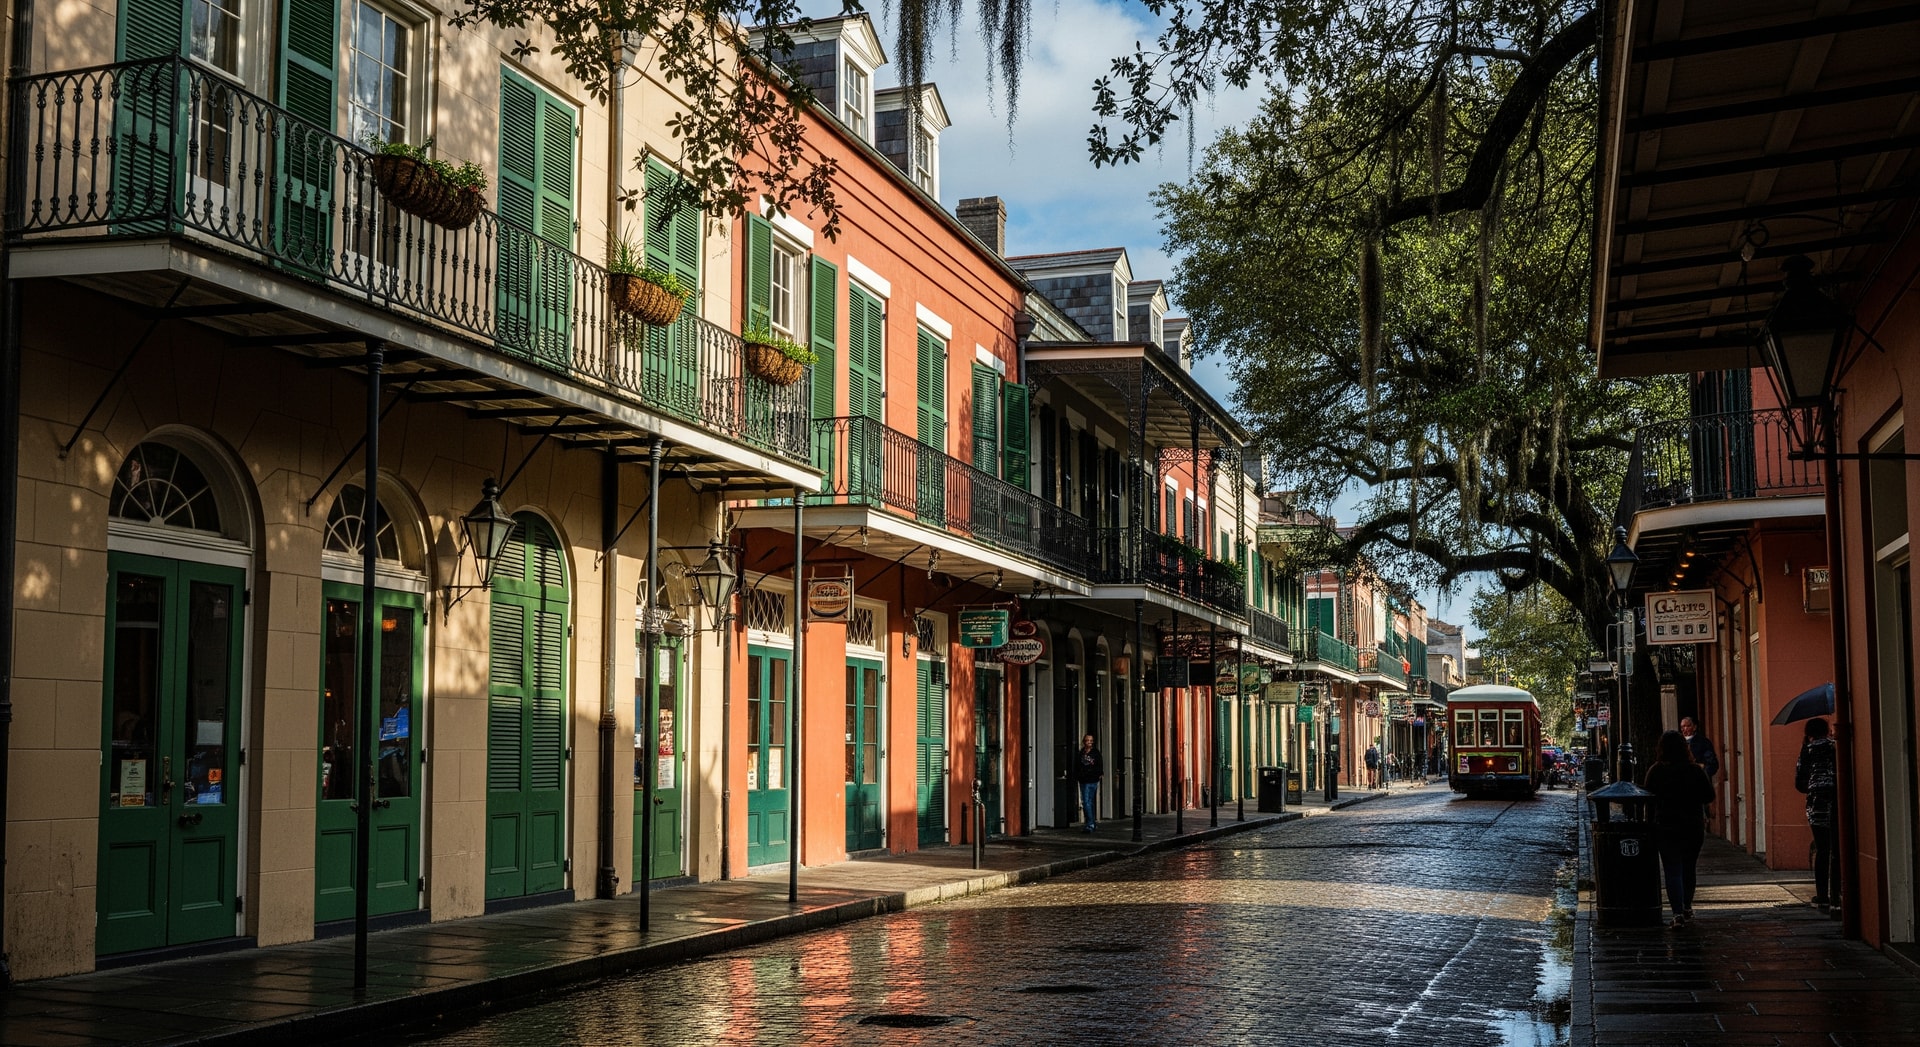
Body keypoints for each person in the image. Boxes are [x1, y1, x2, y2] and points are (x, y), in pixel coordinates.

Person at [1643, 730, 1715, 929]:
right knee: (1689, 868)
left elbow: (1648, 799)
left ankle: (1677, 913)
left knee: (1672, 869)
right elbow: (1709, 796)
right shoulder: (1695, 770)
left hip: (1666, 826)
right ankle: (1687, 906)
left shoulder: (1656, 771)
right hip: (1692, 826)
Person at [1795, 717, 1839, 911]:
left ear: (1809, 733)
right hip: (1837, 800)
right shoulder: (1835, 748)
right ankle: (1837, 893)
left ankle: (1822, 895)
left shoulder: (1807, 751)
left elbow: (1800, 783)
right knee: (1838, 848)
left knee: (1823, 849)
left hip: (1816, 804)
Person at [1073, 734, 1103, 832]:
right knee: (1088, 802)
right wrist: (1078, 775)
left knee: (1086, 802)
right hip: (1083, 780)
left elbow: (1099, 764)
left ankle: (1090, 824)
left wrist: (1099, 774)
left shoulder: (1095, 753)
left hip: (1093, 780)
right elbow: (1077, 765)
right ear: (1084, 741)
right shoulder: (1081, 753)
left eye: (1091, 740)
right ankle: (1092, 823)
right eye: (1087, 740)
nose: (1089, 742)